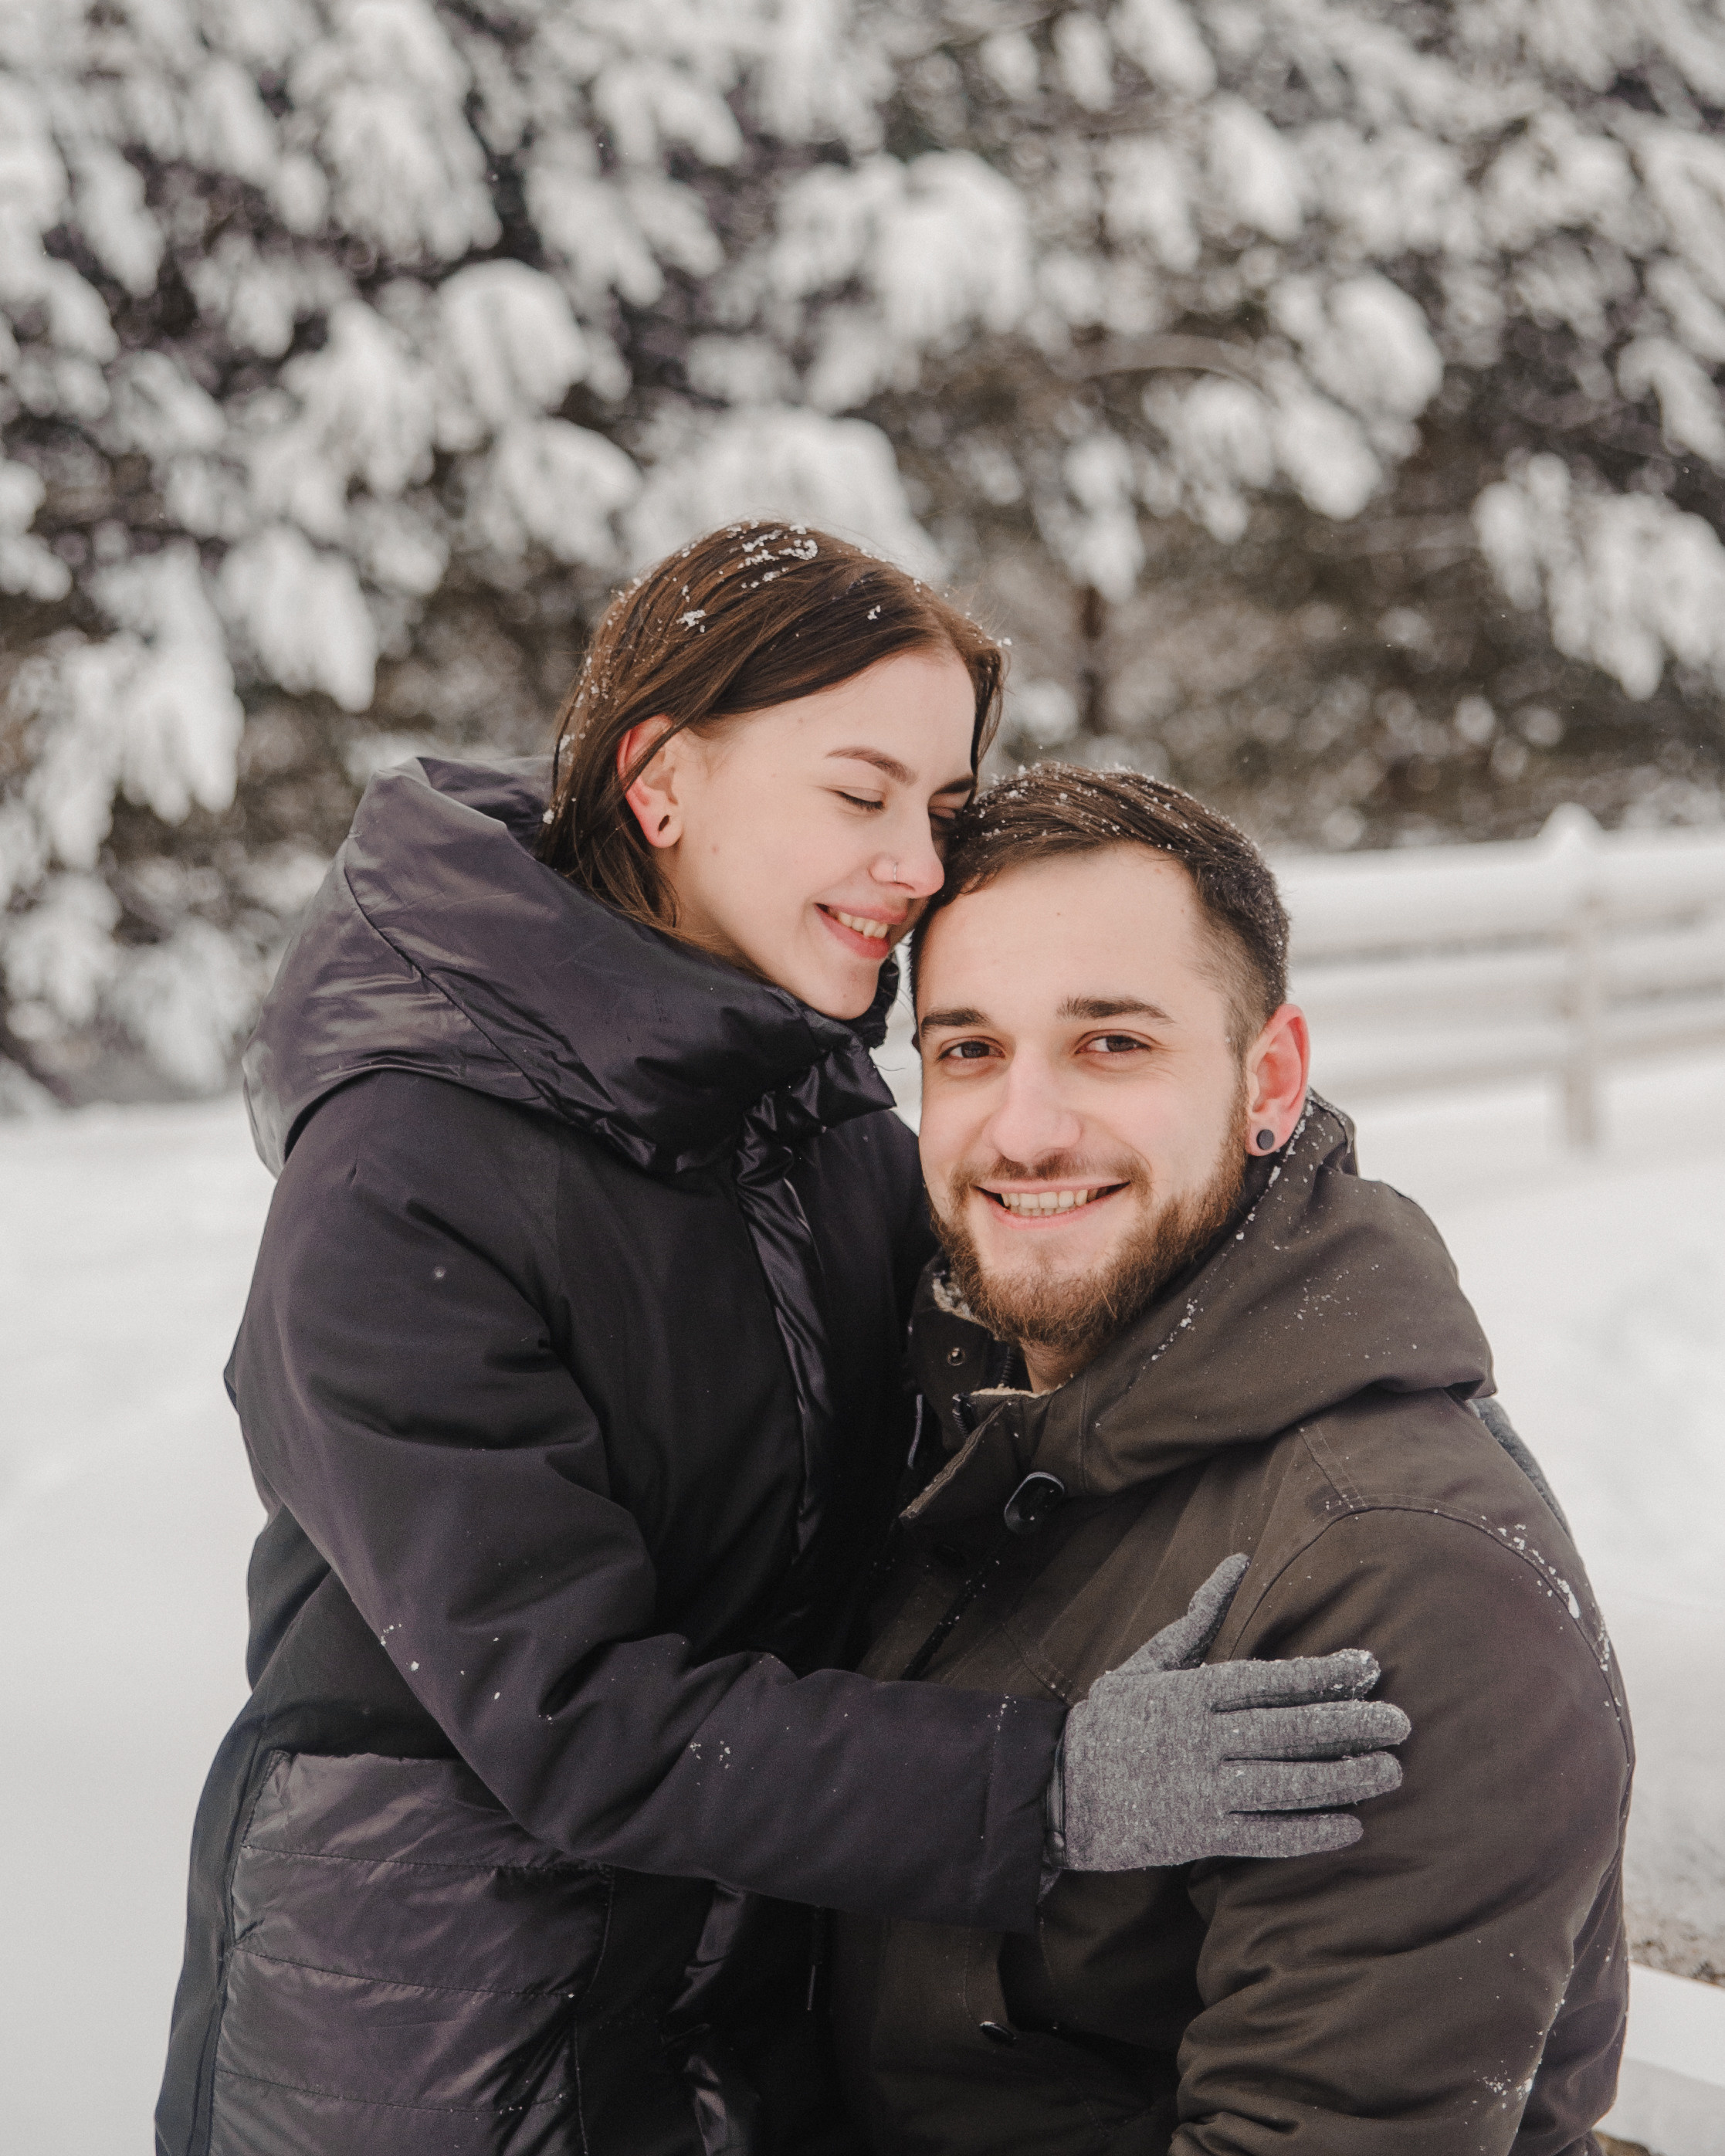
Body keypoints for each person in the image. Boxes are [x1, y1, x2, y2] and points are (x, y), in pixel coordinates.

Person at [157, 531, 1412, 2156]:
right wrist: (1046, 1788)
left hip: (730, 1989)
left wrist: (1352, 1340)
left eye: (941, 812)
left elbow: (1062, 1357)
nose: (916, 862)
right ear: (662, 780)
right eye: (858, 792)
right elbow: (576, 1711)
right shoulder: (404, 1178)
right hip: (427, 2030)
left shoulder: (807, 1120)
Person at [831, 761, 1634, 2155]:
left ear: (1267, 1079)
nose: (1021, 1128)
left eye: (1112, 1045)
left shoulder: (1392, 1569)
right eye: (967, 1049)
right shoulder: (970, 1411)